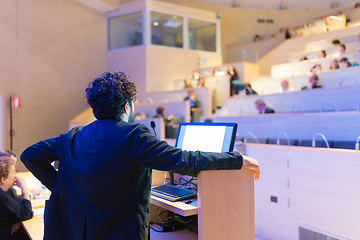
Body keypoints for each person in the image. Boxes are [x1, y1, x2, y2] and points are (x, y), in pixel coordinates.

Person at [20, 72, 260, 240]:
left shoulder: (74, 136)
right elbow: (186, 160)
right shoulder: (134, 136)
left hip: (79, 231)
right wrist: (236, 159)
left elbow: (30, 155)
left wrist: (63, 189)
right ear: (127, 106)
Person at [0, 150, 33, 240]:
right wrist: (24, 190)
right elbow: (27, 213)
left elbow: (18, 203)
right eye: (13, 172)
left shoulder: (7, 190)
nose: (15, 176)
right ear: (3, 179)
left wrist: (17, 219)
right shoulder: (1, 195)